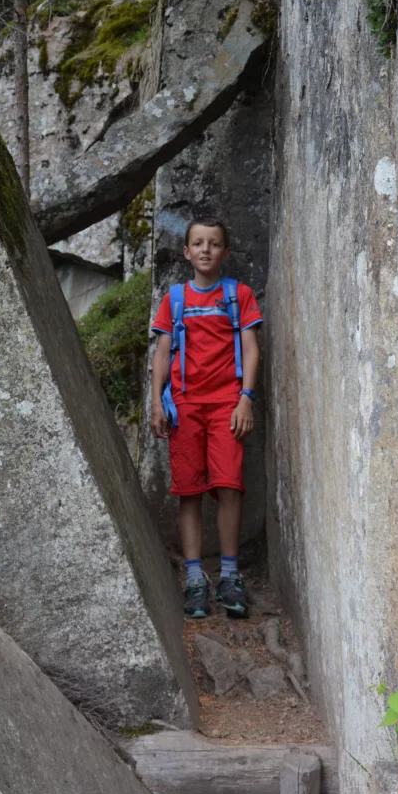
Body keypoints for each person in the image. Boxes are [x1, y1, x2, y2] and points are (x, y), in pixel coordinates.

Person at [150, 215, 262, 618]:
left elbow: (251, 348)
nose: (205, 250)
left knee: (230, 485)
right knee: (189, 491)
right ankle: (196, 580)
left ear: (225, 252)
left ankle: (230, 575)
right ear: (186, 252)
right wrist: (155, 401)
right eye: (198, 243)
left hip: (227, 405)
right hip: (184, 407)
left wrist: (245, 398)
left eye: (214, 244)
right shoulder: (175, 299)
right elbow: (162, 353)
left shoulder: (239, 295)